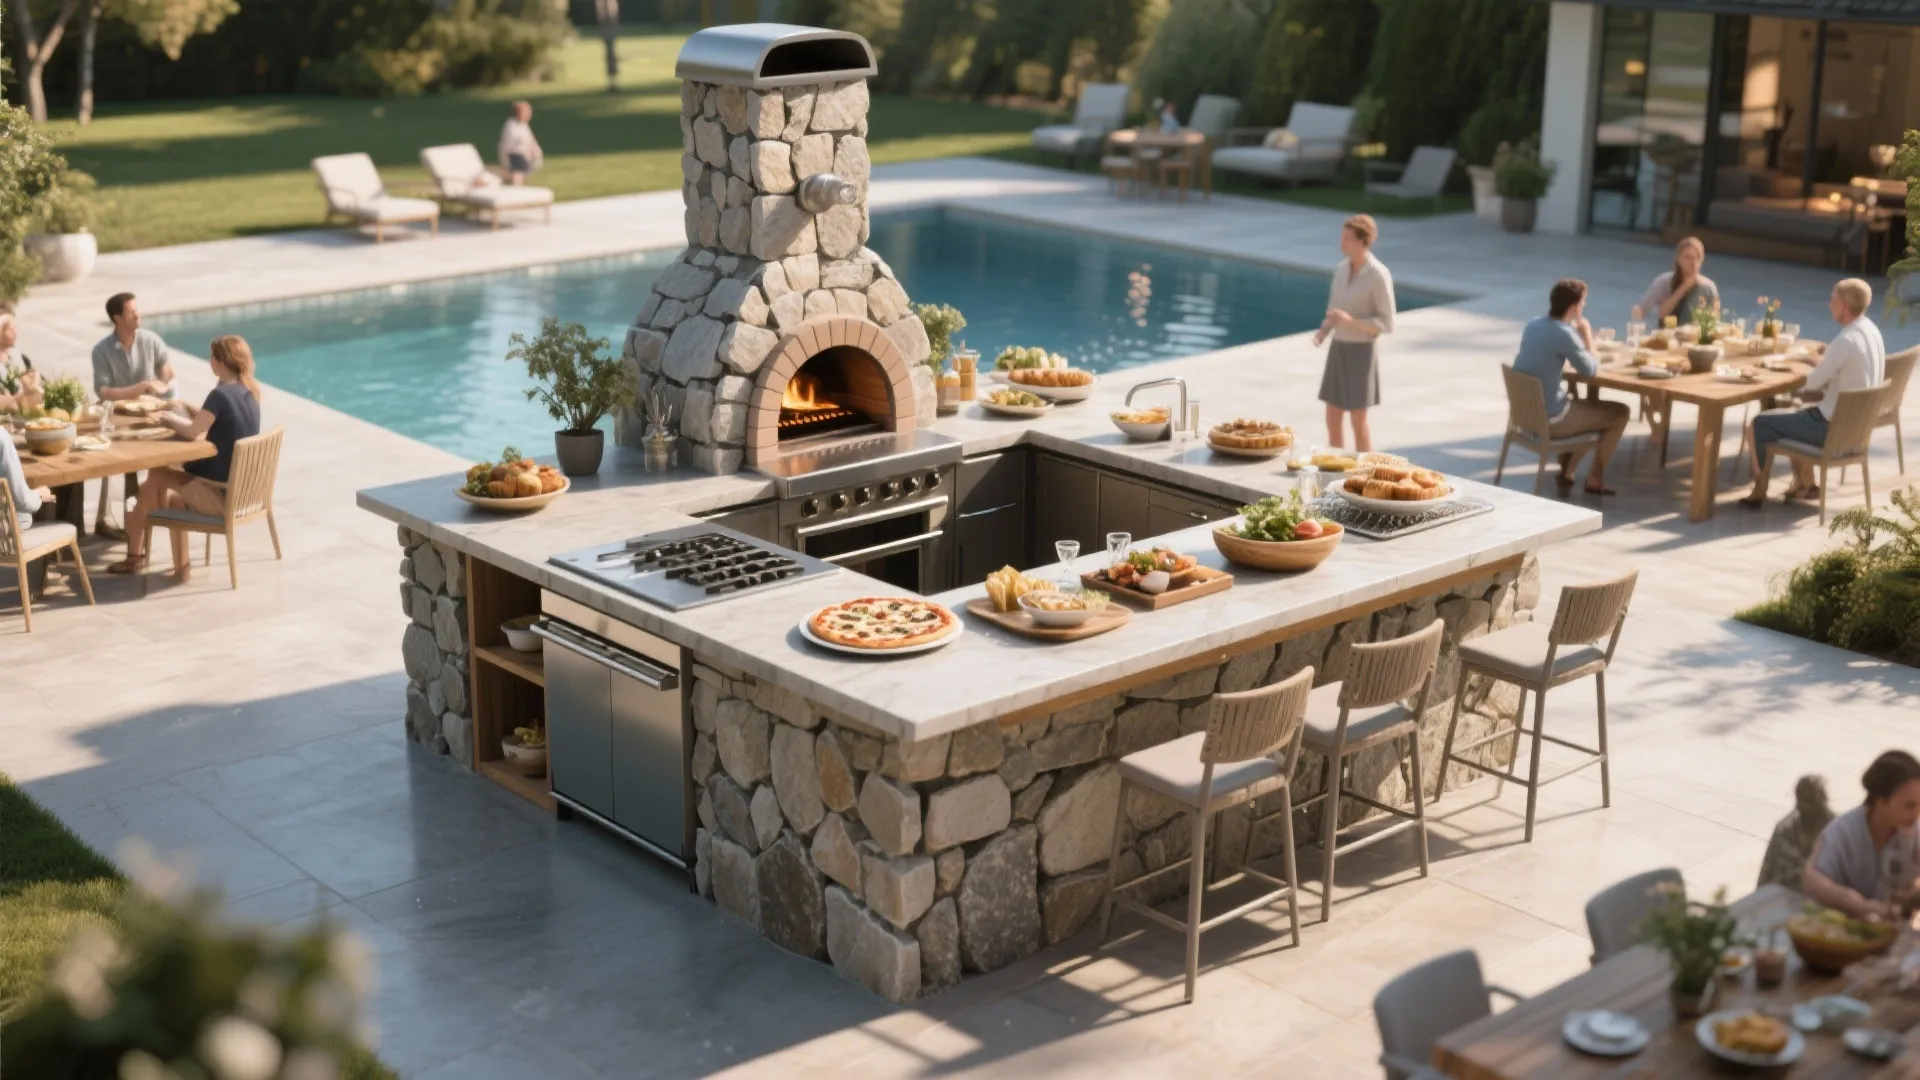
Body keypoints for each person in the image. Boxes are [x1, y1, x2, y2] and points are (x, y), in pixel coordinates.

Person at [108, 336, 262, 580]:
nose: (209, 361)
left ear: (220, 362)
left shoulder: (219, 395)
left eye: (212, 356)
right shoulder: (248, 392)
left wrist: (165, 417)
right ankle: (166, 563)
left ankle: (135, 552)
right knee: (163, 494)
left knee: (157, 475)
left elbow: (194, 431)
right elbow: (208, 419)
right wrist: (178, 404)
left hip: (219, 494)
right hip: (243, 493)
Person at [1741, 278, 1886, 507]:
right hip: (1855, 430)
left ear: (1845, 306)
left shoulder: (1846, 340)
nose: (1829, 305)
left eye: (1833, 300)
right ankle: (1805, 484)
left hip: (1830, 430)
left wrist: (1783, 374)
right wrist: (1823, 360)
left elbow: (1811, 383)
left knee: (1758, 423)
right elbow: (1841, 365)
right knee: (1794, 413)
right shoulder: (1871, 331)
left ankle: (1758, 490)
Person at [1509, 279, 1631, 496]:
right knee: (1619, 412)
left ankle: (1568, 472)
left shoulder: (1533, 324)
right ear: (1574, 307)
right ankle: (1594, 478)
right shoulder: (1565, 334)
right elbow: (1590, 369)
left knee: (1586, 406)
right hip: (1551, 421)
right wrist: (1586, 335)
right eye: (1583, 303)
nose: (1583, 307)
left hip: (1526, 418)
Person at [91, 292, 175, 538]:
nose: (138, 315)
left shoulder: (151, 340)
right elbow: (103, 391)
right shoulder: (102, 350)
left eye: (137, 310)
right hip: (116, 415)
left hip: (148, 413)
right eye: (131, 312)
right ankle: (109, 520)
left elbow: (167, 369)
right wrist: (137, 389)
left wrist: (162, 381)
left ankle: (148, 510)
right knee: (115, 460)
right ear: (117, 318)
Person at [1803, 750, 1920, 921]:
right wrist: (1859, 906)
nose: (1916, 813)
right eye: (1910, 806)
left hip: (1894, 935)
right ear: (1881, 799)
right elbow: (1813, 882)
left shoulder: (1914, 833)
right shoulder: (1842, 834)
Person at [1313, 214, 1396, 452]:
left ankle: (1364, 474)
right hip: (1338, 348)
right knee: (1332, 418)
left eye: (1347, 239)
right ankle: (1334, 469)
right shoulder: (1340, 270)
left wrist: (1351, 322)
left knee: (1358, 421)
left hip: (1361, 352)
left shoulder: (1378, 275)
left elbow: (1387, 323)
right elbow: (1334, 307)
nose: (1342, 243)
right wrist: (1325, 330)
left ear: (1361, 241)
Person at [1630, 236, 1720, 324]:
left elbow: (1715, 318)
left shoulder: (1709, 287)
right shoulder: (1664, 282)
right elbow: (1654, 312)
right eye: (1687, 257)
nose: (1693, 262)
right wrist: (1684, 287)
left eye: (1697, 258)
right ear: (1679, 259)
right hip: (1666, 335)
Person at [0, 312, 43, 413]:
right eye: (11, 329)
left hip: (20, 411)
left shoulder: (20, 357)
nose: (15, 333)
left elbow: (32, 375)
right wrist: (17, 399)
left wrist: (34, 381)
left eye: (15, 329)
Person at [498, 101, 544, 186]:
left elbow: (530, 139)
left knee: (522, 173)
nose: (529, 115)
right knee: (517, 173)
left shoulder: (523, 125)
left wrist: (535, 150)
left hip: (522, 155)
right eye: (526, 113)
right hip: (515, 155)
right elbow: (513, 143)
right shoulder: (511, 126)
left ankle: (511, 181)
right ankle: (514, 185)